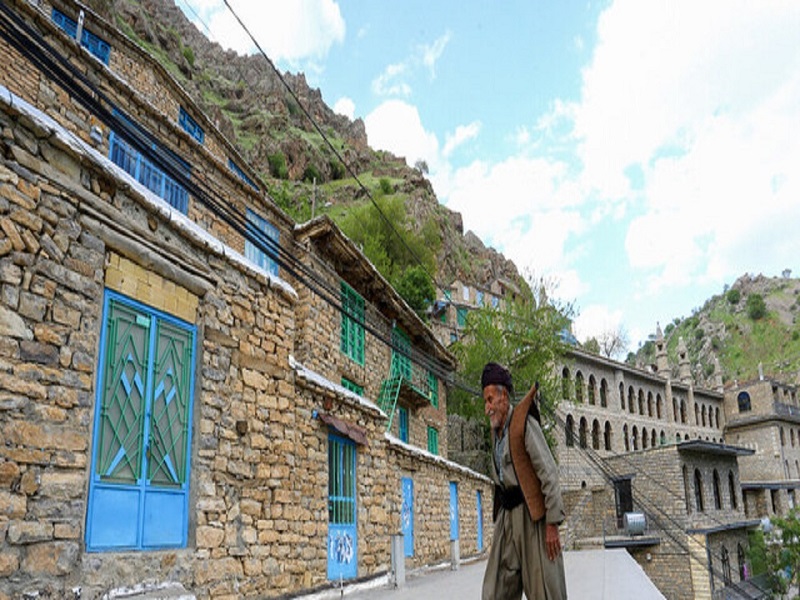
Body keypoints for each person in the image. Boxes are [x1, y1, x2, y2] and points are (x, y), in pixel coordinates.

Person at [481, 362, 567, 600]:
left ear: (504, 396)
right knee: (495, 589)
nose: (487, 408)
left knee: (544, 590)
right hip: (507, 519)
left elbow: (548, 473)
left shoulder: (524, 424)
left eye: (490, 400)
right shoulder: (495, 433)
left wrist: (552, 523)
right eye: (485, 401)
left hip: (532, 518)